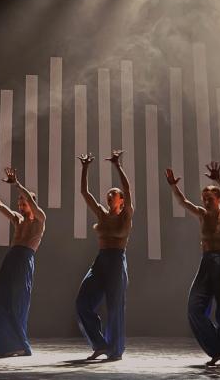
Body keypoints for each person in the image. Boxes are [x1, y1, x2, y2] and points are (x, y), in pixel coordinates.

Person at [165, 162, 220, 367]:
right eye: (204, 198)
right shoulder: (202, 214)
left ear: (218, 199)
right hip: (207, 264)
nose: (207, 201)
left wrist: (218, 180)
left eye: (211, 198)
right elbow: (183, 202)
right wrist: (174, 186)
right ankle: (218, 350)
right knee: (194, 308)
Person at [0, 167, 47, 357]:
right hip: (11, 258)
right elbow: (0, 205)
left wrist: (17, 185)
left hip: (24, 259)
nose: (20, 205)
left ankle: (20, 345)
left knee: (17, 303)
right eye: (19, 202)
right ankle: (8, 345)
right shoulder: (18, 219)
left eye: (23, 201)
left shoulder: (39, 219)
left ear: (32, 203)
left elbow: (32, 203)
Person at [75, 150, 133, 360]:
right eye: (108, 193)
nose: (109, 195)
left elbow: (127, 188)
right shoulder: (101, 212)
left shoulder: (126, 215)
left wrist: (117, 165)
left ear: (121, 200)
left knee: (115, 306)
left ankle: (115, 350)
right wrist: (85, 168)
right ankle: (99, 344)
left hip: (117, 261)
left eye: (114, 193)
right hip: (101, 261)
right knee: (82, 303)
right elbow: (84, 192)